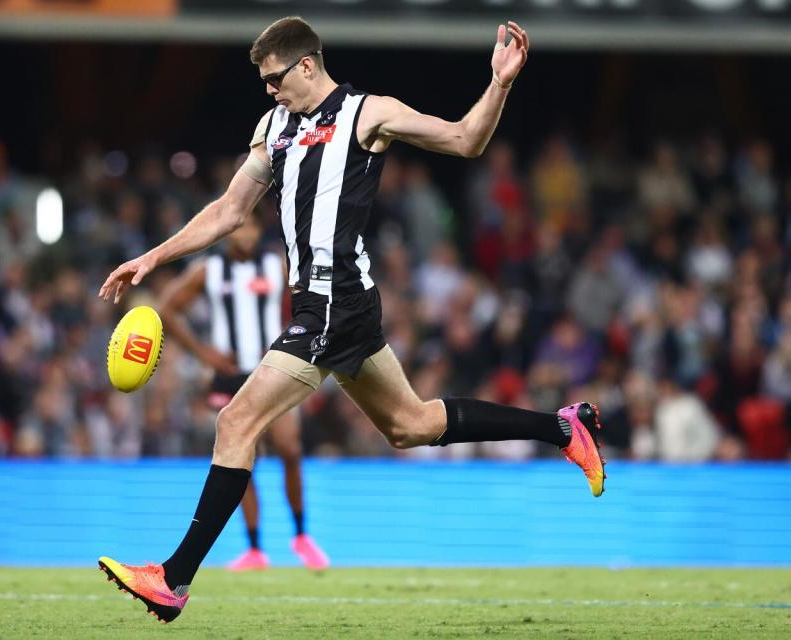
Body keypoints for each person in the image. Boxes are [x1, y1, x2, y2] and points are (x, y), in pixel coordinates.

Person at [97, 16, 606, 624]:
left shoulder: (369, 113)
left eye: (274, 78)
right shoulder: (274, 126)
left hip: (333, 300)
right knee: (410, 425)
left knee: (235, 420)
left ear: (306, 65)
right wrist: (152, 258)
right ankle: (561, 428)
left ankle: (173, 579)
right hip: (332, 305)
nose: (268, 90)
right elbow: (230, 210)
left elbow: (466, 140)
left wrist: (499, 84)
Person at [157, 213, 329, 571]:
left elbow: (313, 301)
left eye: (252, 227)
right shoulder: (208, 270)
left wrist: (296, 341)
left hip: (271, 371)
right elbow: (167, 309)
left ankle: (301, 535)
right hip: (229, 375)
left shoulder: (276, 264)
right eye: (239, 227)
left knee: (290, 448)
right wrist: (204, 353)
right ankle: (255, 548)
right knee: (240, 458)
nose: (246, 234)